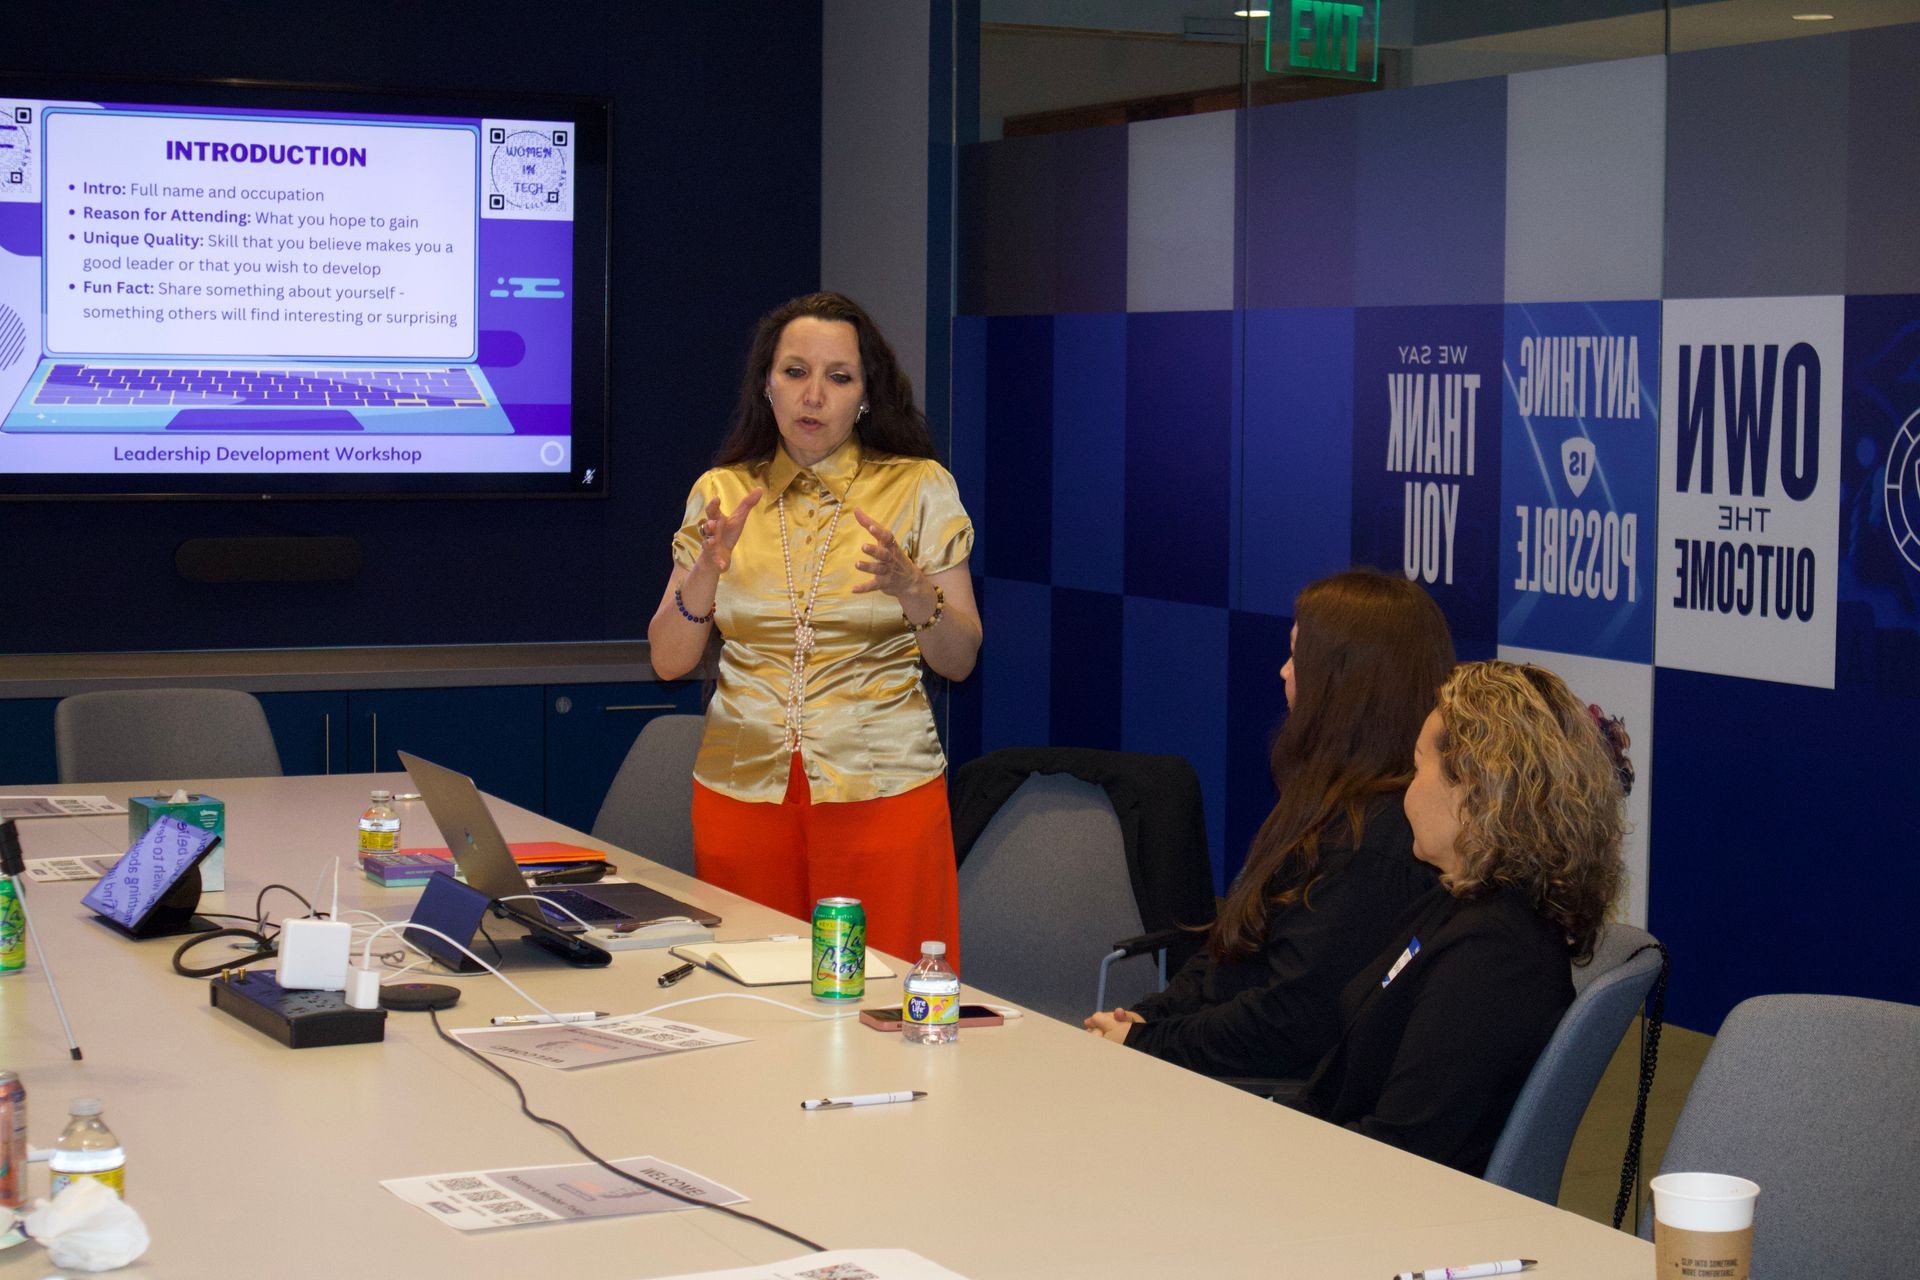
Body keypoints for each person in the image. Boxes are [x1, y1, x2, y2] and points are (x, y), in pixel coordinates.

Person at [646, 292, 982, 964]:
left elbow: (960, 659)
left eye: (839, 378)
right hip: (742, 790)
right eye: (796, 372)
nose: (813, 396)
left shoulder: (918, 487)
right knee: (753, 1005)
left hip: (881, 788)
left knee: (885, 1003)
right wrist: (706, 573)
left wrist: (914, 589)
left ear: (865, 395)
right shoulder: (720, 492)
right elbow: (668, 659)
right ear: (766, 384)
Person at [1084, 569, 1454, 1082]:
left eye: (1298, 658)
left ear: (1345, 683)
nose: (1283, 672)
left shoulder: (1375, 839)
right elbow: (1232, 949)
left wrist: (1151, 1042)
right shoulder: (1323, 801)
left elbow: (1293, 1022)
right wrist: (1152, 1017)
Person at [1289, 660, 1630, 1175]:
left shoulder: (1495, 956)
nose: (1407, 789)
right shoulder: (1464, 904)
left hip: (1376, 1206)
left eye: (1419, 765)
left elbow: (1401, 1149)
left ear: (1474, 790)